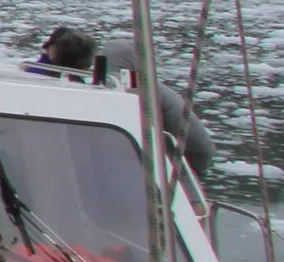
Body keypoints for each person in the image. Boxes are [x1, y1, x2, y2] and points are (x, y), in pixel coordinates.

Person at [34, 27, 215, 184]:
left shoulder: (91, 90)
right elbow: (201, 146)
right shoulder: (157, 93)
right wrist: (190, 178)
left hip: (97, 176)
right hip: (156, 178)